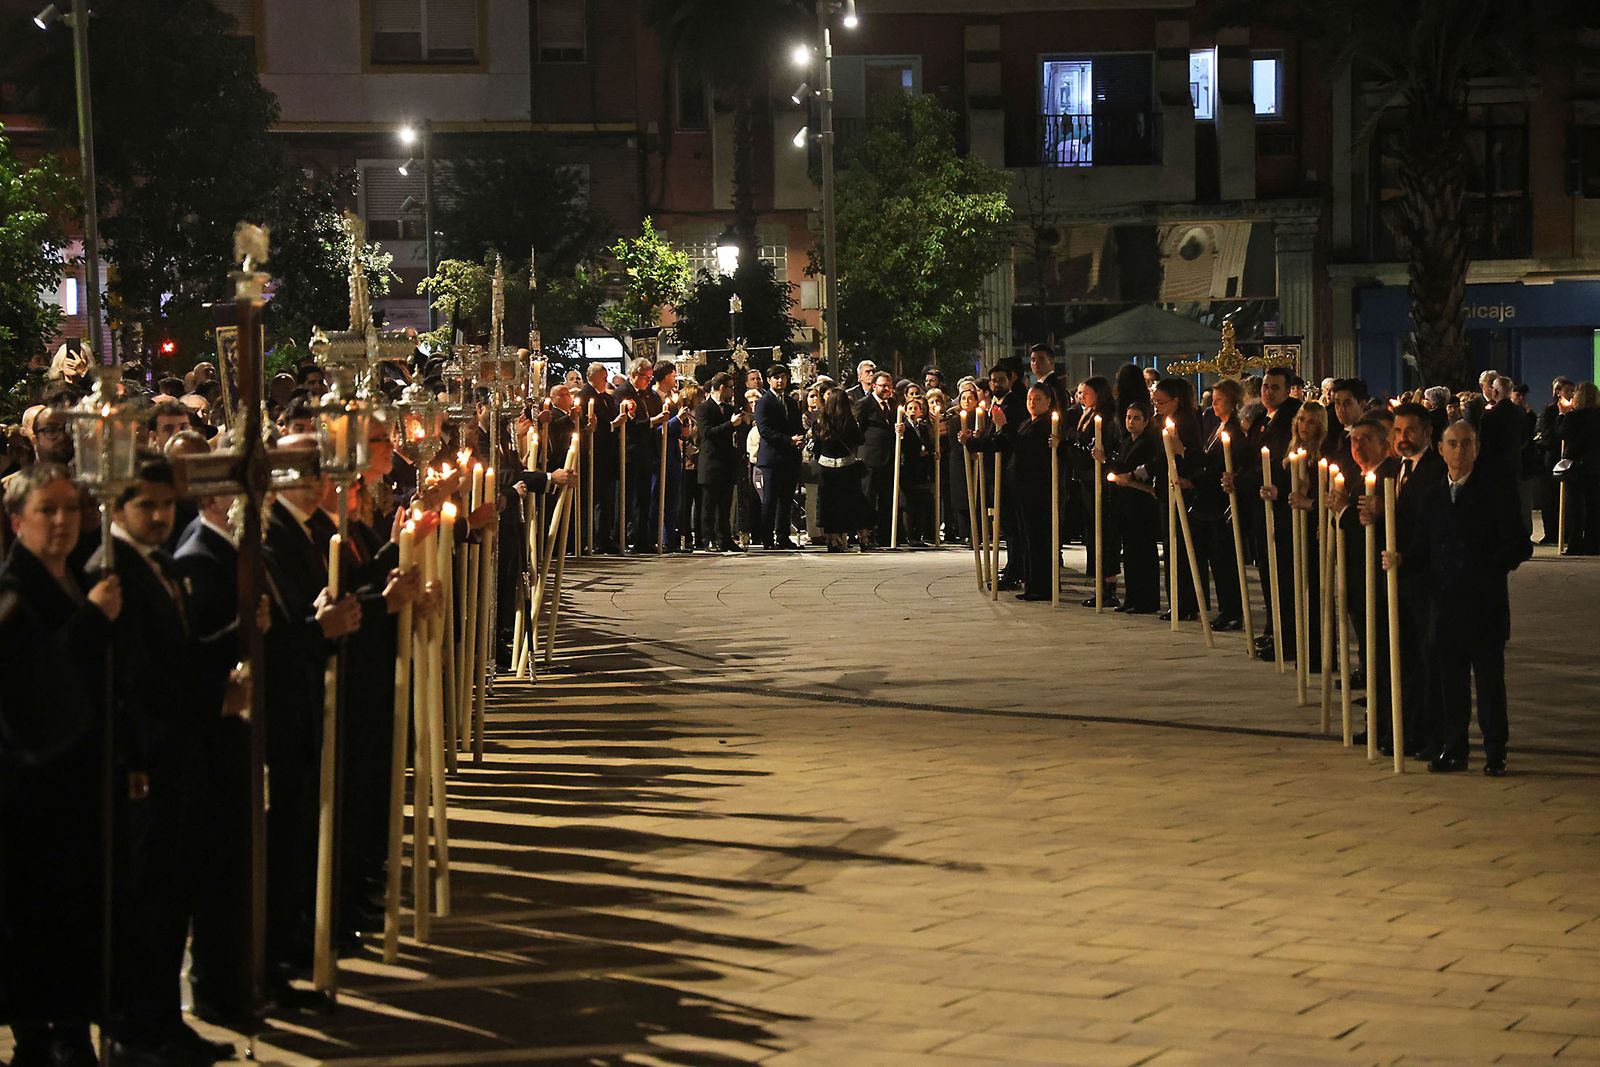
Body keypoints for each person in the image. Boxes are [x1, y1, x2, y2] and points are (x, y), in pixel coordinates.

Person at [1, 464, 120, 1067]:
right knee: (36, 917)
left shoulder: (75, 575)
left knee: (76, 911)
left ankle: (74, 1028)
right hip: (34, 786)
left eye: (71, 510)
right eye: (47, 511)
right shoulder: (13, 591)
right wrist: (93, 621)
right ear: (18, 520)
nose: (62, 522)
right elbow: (36, 685)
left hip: (80, 779)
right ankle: (38, 1038)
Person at [1388, 421, 1530, 775]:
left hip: (1483, 604)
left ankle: (1496, 750)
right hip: (1445, 604)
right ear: (1441, 448)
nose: (1459, 451)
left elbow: (1518, 543)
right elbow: (1422, 546)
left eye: (1467, 444)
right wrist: (1401, 561)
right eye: (1453, 444)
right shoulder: (1434, 497)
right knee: (1449, 683)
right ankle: (1454, 748)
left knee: (1489, 683)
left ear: (1477, 449)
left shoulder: (1496, 493)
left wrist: (1488, 566)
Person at [1227, 365, 1300, 662]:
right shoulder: (1261, 419)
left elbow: (1272, 466)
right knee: (1268, 573)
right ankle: (1273, 629)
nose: (1268, 392)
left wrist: (1243, 480)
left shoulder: (1289, 419)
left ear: (1288, 390)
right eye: (1265, 386)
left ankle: (1286, 634)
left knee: (1283, 575)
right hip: (1259, 504)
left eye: (1275, 387)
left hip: (1280, 506)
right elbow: (1248, 456)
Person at [983, 384, 1058, 600]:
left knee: (1036, 538)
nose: (1032, 403)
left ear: (1048, 402)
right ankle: (1031, 583)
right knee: (1026, 537)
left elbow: (1024, 446)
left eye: (1037, 399)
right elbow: (1010, 443)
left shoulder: (1044, 425)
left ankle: (1041, 587)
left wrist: (1004, 426)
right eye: (1029, 398)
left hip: (1035, 489)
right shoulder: (1028, 422)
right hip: (1020, 489)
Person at [1103, 398, 1162, 614]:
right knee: (1129, 552)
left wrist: (1130, 476)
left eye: (1137, 418)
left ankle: (1146, 600)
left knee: (1143, 552)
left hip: (1142, 504)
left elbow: (1143, 470)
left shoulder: (1148, 444)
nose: (1131, 422)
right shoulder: (1126, 441)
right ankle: (1132, 597)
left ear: (1146, 421)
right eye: (1129, 417)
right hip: (1126, 502)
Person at [1196, 378, 1246, 629]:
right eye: (1212, 400)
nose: (1213, 404)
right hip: (1210, 500)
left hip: (1222, 501)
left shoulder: (1234, 429)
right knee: (1216, 558)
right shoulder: (1216, 425)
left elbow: (1223, 462)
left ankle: (1233, 609)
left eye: (1219, 400)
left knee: (1225, 558)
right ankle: (1227, 607)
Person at [812, 389, 874, 552]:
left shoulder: (820, 421)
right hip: (847, 467)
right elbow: (859, 440)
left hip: (826, 468)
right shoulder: (849, 421)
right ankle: (863, 537)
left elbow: (816, 446)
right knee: (854, 503)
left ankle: (832, 540)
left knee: (829, 505)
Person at [754, 364, 804, 550]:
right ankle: (767, 537)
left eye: (783, 377)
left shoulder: (791, 402)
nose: (780, 380)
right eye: (776, 377)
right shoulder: (764, 402)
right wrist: (788, 440)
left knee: (786, 499)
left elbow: (797, 425)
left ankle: (783, 536)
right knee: (770, 500)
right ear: (769, 380)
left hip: (789, 458)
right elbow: (764, 429)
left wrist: (800, 438)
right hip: (771, 458)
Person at [695, 373, 745, 552]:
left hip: (727, 463)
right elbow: (707, 433)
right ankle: (707, 538)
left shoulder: (730, 409)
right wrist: (730, 425)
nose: (732, 391)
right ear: (722, 388)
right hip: (711, 463)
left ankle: (725, 538)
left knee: (725, 505)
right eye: (730, 387)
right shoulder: (704, 408)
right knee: (709, 504)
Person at [578, 363, 621, 553]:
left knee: (607, 498)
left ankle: (605, 535)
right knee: (595, 498)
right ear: (591, 377)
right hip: (595, 453)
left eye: (606, 376)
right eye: (602, 376)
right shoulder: (585, 396)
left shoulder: (606, 397)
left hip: (608, 455)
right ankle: (593, 537)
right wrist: (612, 425)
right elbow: (592, 426)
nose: (605, 379)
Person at [855, 371, 898, 547]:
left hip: (888, 458)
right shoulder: (864, 404)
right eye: (882, 386)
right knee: (869, 497)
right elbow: (857, 427)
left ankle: (885, 535)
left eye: (889, 385)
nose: (886, 389)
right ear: (874, 386)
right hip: (870, 458)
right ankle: (867, 534)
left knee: (887, 497)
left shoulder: (893, 404)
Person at [1559, 381, 1600, 554]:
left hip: (1576, 466)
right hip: (1596, 465)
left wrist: (1561, 415)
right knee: (1594, 506)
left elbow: (1560, 433)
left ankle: (1575, 543)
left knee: (1575, 507)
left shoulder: (1573, 417)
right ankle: (1594, 543)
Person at [898, 395, 936, 546]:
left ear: (921, 411)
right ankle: (910, 536)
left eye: (916, 408)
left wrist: (931, 452)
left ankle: (919, 534)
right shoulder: (903, 427)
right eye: (910, 408)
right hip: (908, 468)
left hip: (921, 470)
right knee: (909, 504)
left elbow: (929, 444)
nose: (913, 411)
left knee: (921, 503)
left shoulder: (924, 428)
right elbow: (902, 447)